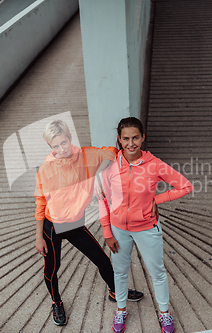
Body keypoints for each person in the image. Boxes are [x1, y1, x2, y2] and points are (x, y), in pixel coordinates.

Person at [34, 120, 143, 326]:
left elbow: (111, 151)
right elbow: (40, 203)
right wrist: (39, 236)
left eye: (63, 143)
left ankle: (115, 291)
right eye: (55, 146)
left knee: (101, 259)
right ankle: (56, 302)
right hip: (52, 228)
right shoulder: (45, 170)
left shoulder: (85, 155)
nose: (61, 149)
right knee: (52, 267)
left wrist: (100, 172)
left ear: (70, 138)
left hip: (75, 225)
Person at [98, 117, 193, 333]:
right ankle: (121, 309)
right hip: (118, 230)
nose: (131, 143)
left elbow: (185, 186)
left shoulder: (155, 164)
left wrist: (157, 200)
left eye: (135, 138)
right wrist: (107, 232)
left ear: (143, 137)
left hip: (147, 228)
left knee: (157, 272)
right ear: (120, 140)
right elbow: (102, 198)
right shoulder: (112, 166)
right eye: (126, 139)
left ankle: (164, 313)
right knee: (120, 272)